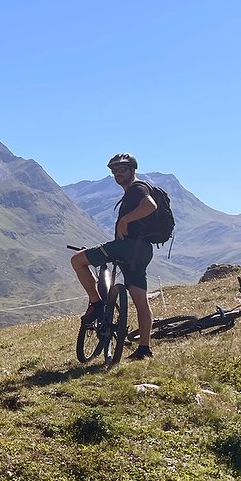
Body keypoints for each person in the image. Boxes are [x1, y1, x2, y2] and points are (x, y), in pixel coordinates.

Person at [71, 153, 157, 360]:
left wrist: (125, 219)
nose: (118, 174)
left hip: (126, 247)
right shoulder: (133, 191)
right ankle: (144, 348)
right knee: (140, 301)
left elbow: (150, 205)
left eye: (122, 170)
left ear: (133, 170)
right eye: (114, 171)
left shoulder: (137, 189)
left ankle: (96, 302)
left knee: (78, 260)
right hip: (142, 250)